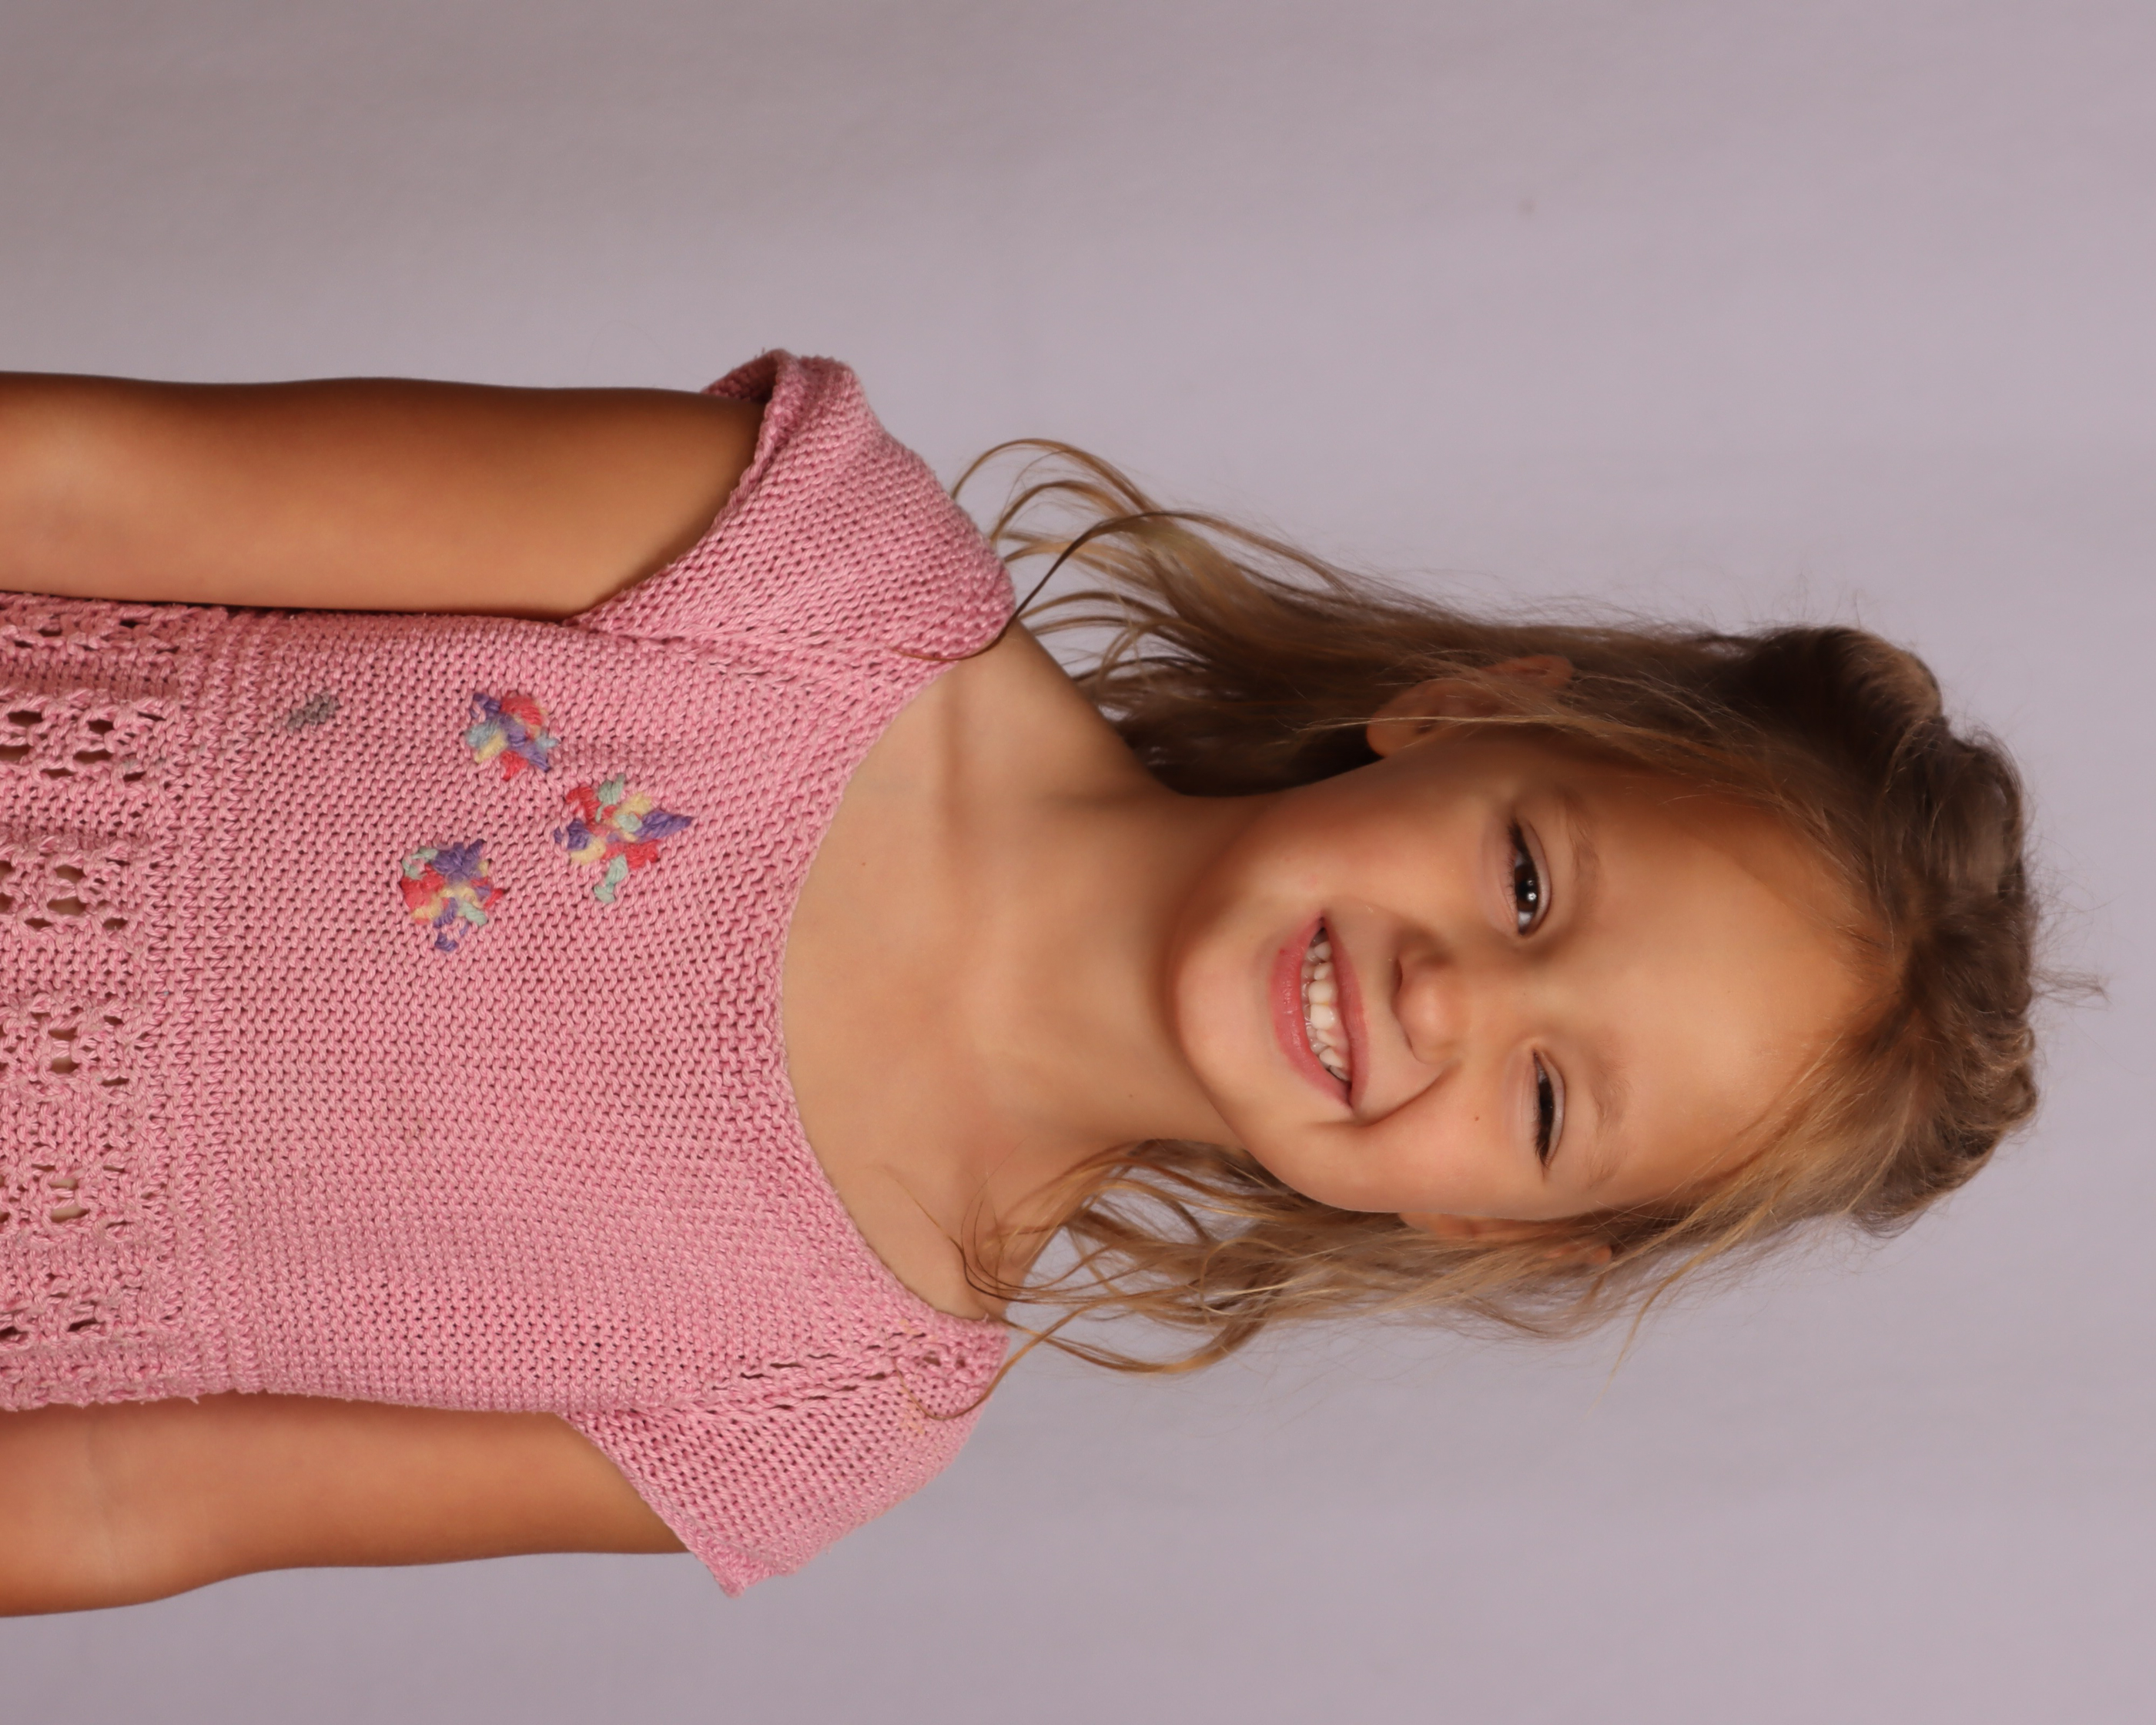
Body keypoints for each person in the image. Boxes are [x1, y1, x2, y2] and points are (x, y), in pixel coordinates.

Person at [0, 353, 2037, 1614]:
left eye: (1548, 1099)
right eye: (1527, 881)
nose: (1447, 1001)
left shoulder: (819, 1408)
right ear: (1474, 709)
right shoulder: (796, 575)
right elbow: (78, 480)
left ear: (1489, 1229)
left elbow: (117, 1499)